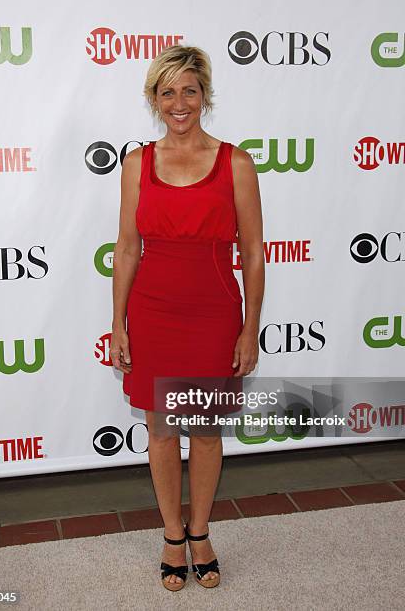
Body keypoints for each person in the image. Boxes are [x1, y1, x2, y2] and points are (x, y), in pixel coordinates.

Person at [110, 45, 264, 591]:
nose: (180, 103)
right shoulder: (136, 164)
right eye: (167, 92)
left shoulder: (236, 163)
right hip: (152, 313)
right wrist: (119, 323)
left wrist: (249, 327)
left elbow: (252, 253)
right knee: (159, 429)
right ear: (154, 100)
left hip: (214, 313)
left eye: (190, 91)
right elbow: (127, 249)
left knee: (203, 429)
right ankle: (172, 534)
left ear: (205, 97)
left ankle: (201, 531)